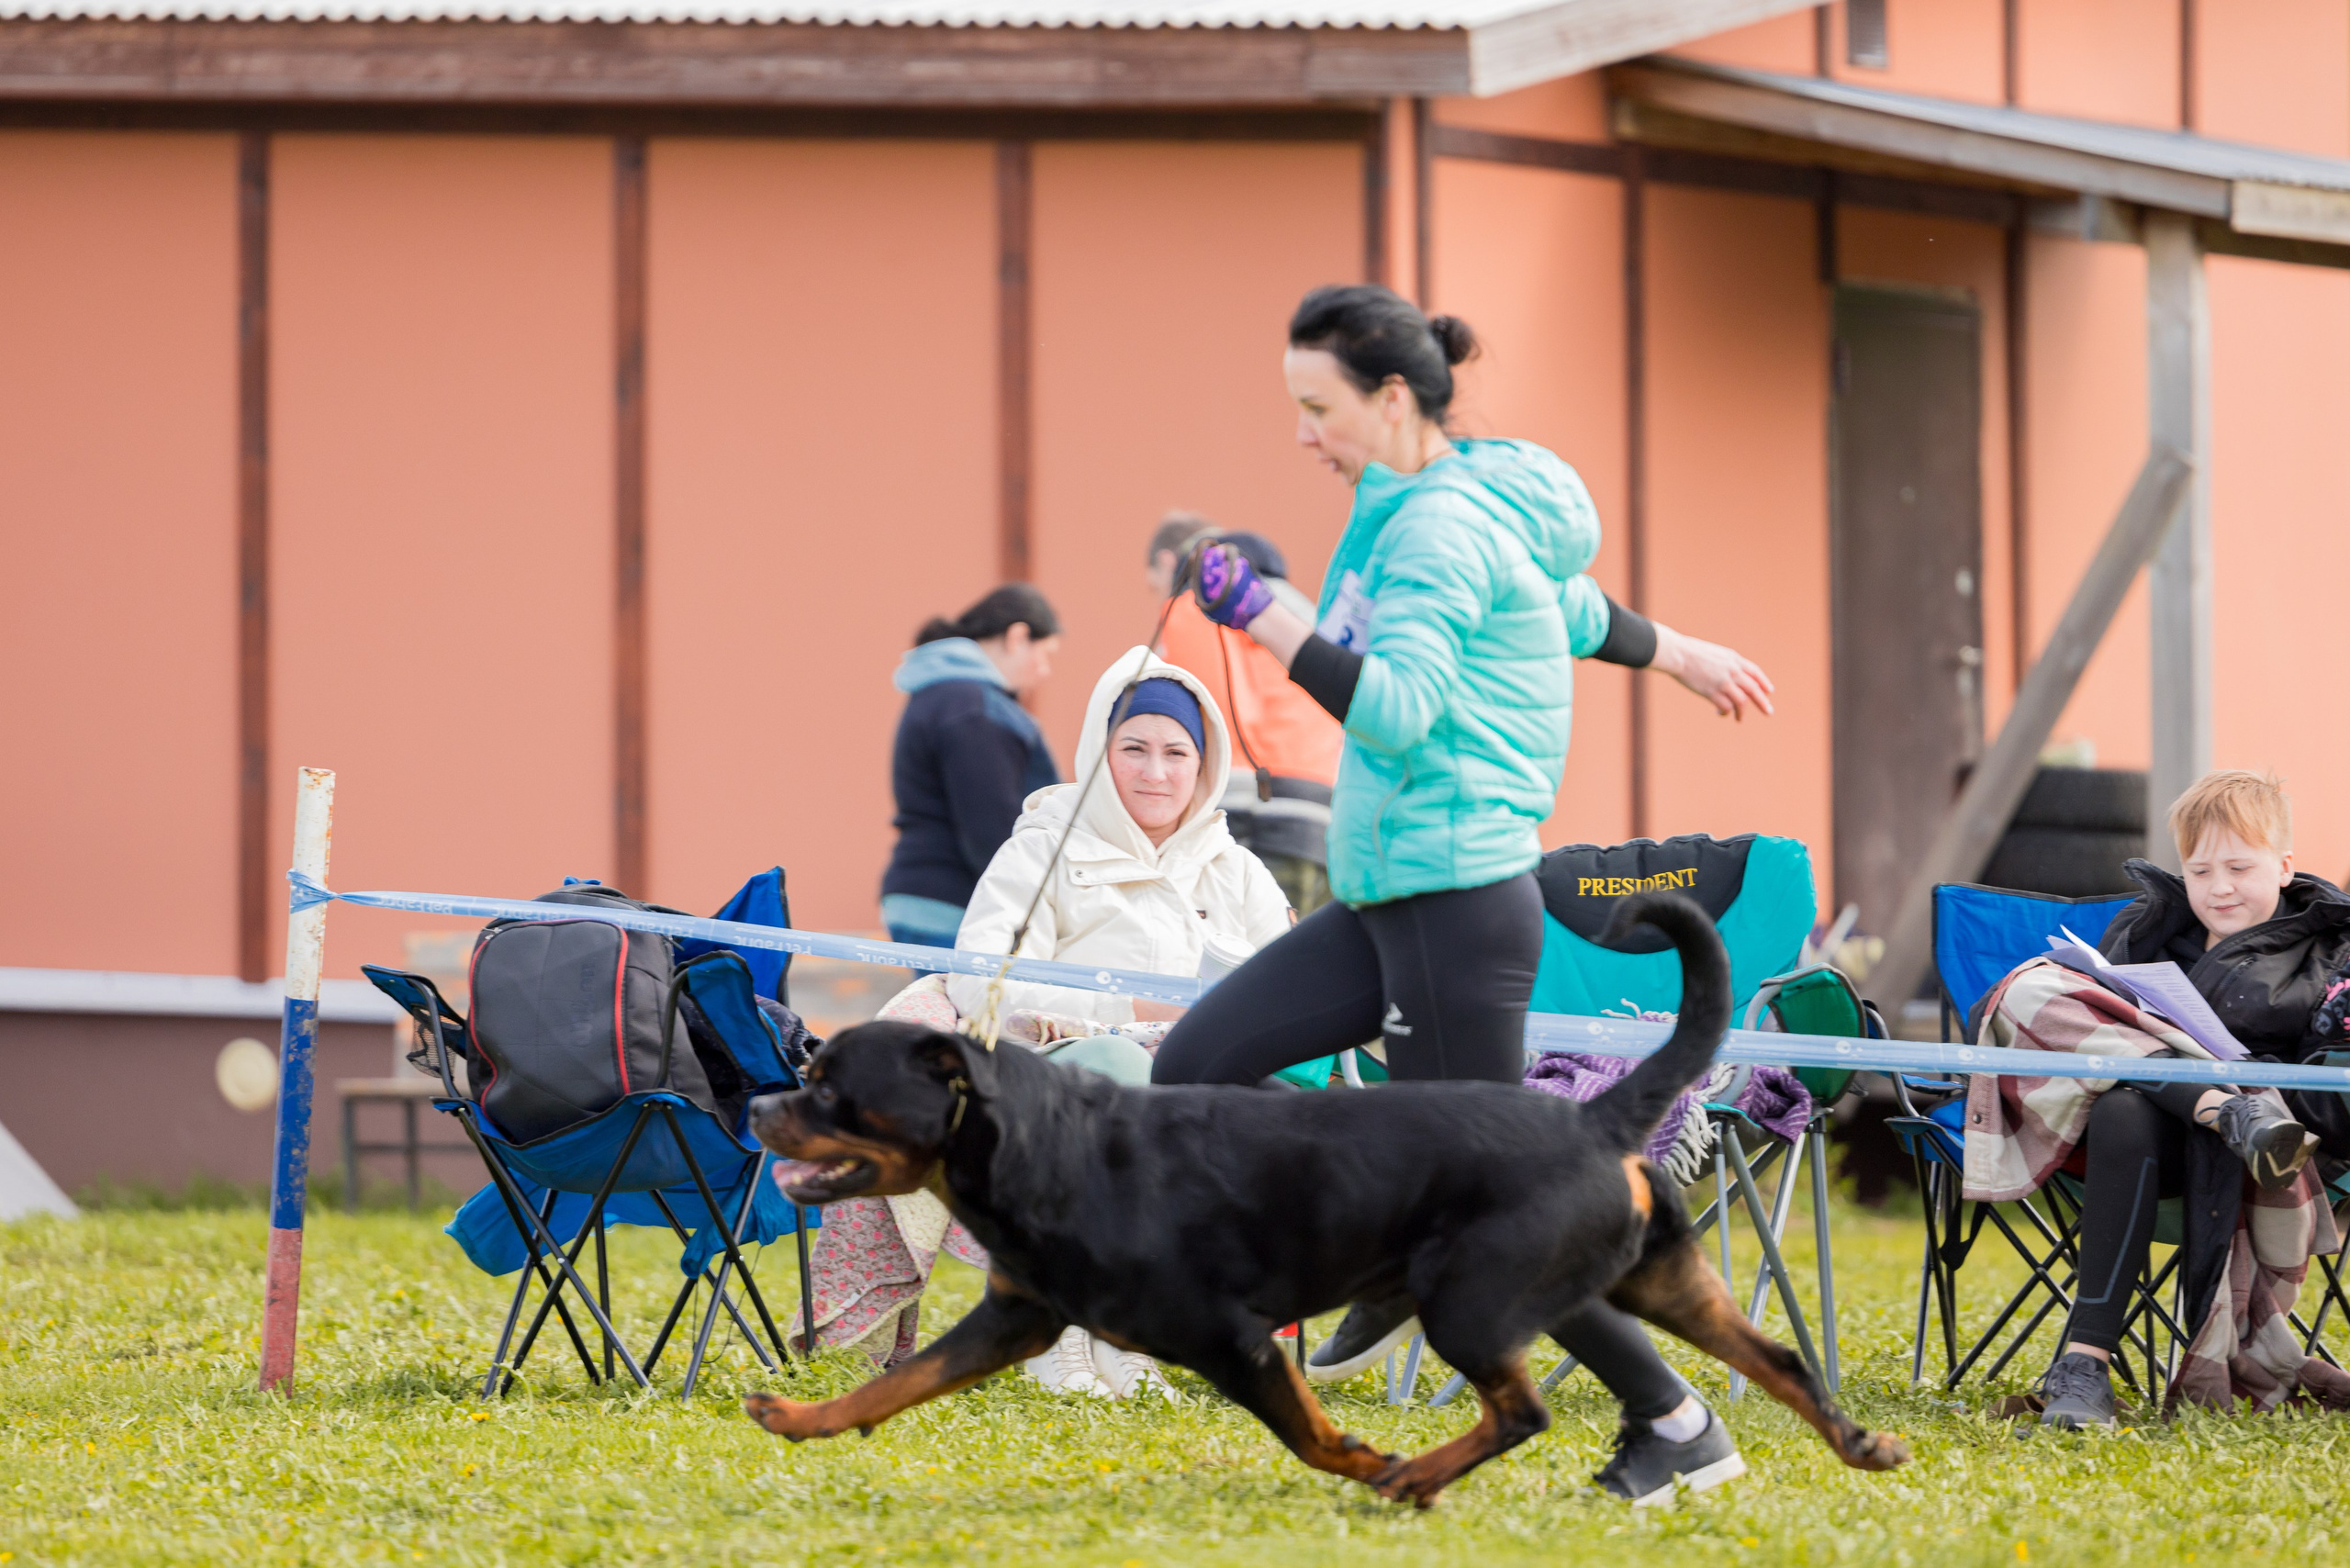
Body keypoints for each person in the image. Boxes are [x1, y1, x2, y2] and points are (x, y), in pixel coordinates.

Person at [1149, 283, 1778, 1506]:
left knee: (1505, 1213)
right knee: (1199, 1063)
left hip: (1455, 905)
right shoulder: (1415, 504)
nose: (1301, 435)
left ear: (1392, 399)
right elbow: (1563, 603)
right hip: (1392, 895)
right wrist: (1680, 651)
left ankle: (1679, 1425)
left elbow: (1393, 706)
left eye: (1316, 408)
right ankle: (1376, 1250)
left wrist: (1262, 613)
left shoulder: (1440, 523)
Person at [2031, 770, 2350, 1429]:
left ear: (2286, 865)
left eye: (2240, 866)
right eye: (2200, 871)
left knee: (2129, 1100)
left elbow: (2331, 1098)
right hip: (2134, 1146)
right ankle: (2085, 1367)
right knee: (2032, 992)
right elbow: (2087, 1039)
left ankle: (2084, 1360)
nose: (2219, 888)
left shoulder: (2333, 953)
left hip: (2271, 1159)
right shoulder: (2146, 929)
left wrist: (2239, 1074)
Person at [1147, 513, 1343, 914]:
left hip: (1246, 811)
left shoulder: (1195, 608)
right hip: (1322, 812)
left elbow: (1182, 715)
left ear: (1170, 564)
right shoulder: (1299, 610)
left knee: (1242, 960)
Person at [878, 585, 1062, 948]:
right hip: (955, 903)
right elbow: (990, 826)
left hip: (925, 893)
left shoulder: (947, 695)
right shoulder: (974, 709)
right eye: (1045, 653)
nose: (1044, 671)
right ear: (1018, 636)